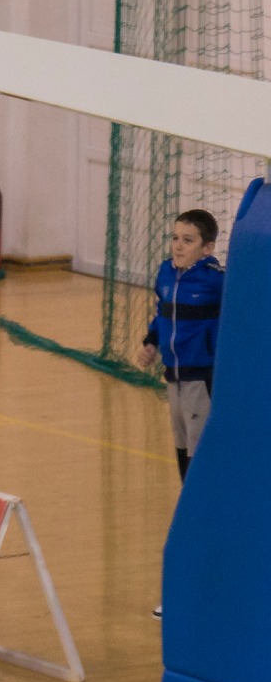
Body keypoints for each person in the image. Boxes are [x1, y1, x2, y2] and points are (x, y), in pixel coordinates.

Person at [136, 208, 224, 620]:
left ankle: (197, 582)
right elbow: (162, 314)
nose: (178, 246)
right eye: (175, 238)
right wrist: (151, 342)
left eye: (188, 240)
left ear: (207, 248)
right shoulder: (166, 274)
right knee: (184, 473)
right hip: (173, 382)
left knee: (196, 483)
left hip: (200, 385)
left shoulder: (217, 281)